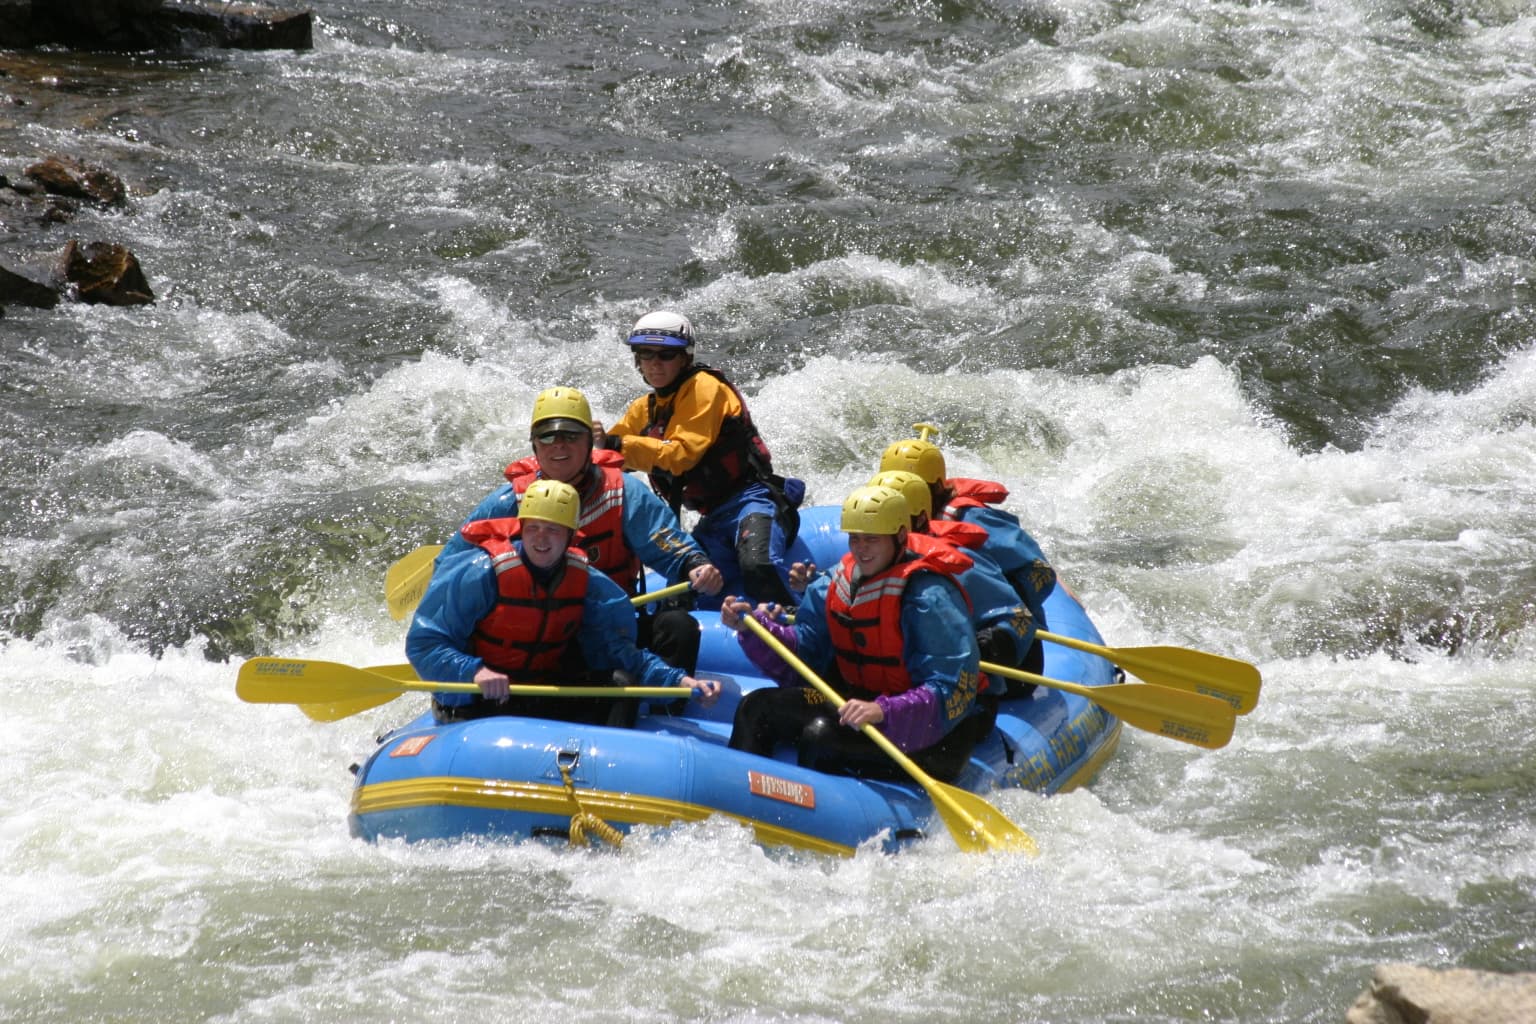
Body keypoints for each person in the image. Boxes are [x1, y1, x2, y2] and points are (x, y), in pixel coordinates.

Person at [439, 385, 723, 675]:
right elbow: (451, 566)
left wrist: (696, 565)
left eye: (571, 435)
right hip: (543, 636)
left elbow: (669, 545)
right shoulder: (508, 502)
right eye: (547, 436)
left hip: (612, 626)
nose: (558, 445)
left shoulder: (623, 493)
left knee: (679, 628)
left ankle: (664, 698)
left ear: (590, 442)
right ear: (535, 445)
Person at [719, 485, 991, 783]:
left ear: (900, 536)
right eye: (855, 538)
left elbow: (950, 689)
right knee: (756, 707)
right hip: (858, 704)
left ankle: (812, 810)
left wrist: (883, 711)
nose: (861, 549)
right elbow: (805, 654)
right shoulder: (833, 584)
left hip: (934, 732)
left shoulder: (929, 599)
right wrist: (756, 631)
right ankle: (736, 794)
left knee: (821, 737)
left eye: (872, 539)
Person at [408, 479, 720, 725]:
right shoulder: (479, 573)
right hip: (482, 697)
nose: (541, 539)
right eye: (533, 528)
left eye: (553, 530)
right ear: (521, 529)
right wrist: (474, 673)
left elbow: (617, 653)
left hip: (538, 690)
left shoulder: (587, 583)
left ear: (570, 536)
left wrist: (679, 681)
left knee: (620, 684)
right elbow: (424, 643)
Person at [591, 310, 804, 610]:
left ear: (685, 357)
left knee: (758, 565)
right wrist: (586, 447)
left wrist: (614, 444)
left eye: (666, 354)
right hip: (713, 519)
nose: (654, 363)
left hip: (751, 501)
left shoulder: (705, 387)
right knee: (677, 600)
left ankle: (803, 626)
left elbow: (681, 456)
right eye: (646, 354)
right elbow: (611, 462)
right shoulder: (643, 409)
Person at [879, 434, 1056, 672]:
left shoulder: (971, 523)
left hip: (1005, 631)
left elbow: (1040, 571)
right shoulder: (879, 542)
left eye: (916, 486)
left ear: (936, 487)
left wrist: (998, 623)